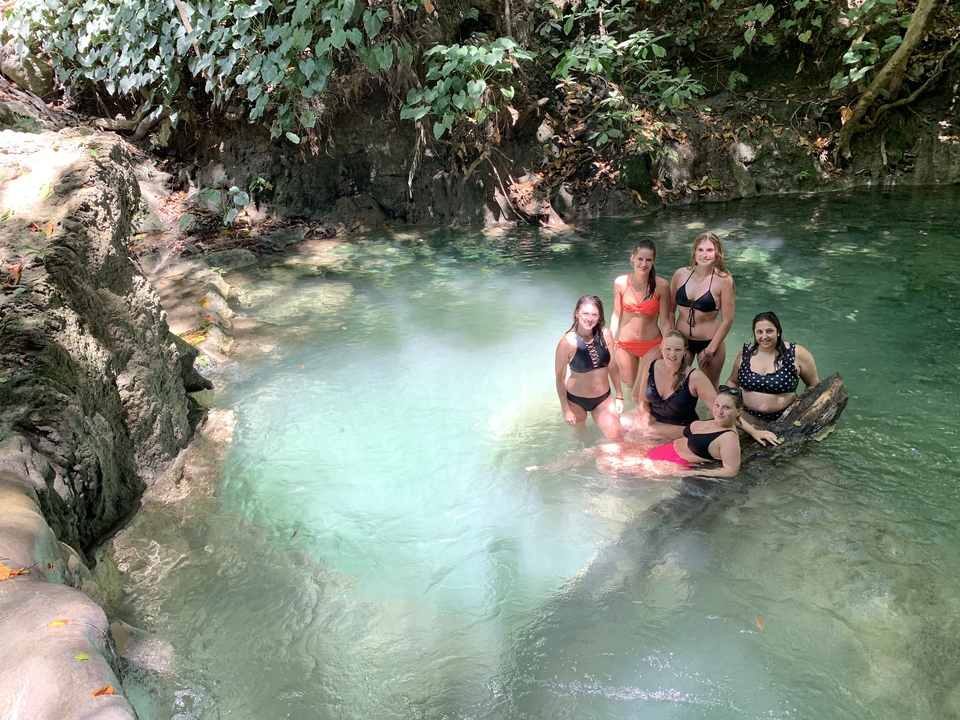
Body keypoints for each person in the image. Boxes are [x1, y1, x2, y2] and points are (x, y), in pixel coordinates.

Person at [529, 387, 749, 479]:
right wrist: (647, 431)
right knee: (602, 448)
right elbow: (680, 432)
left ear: (738, 411)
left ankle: (604, 500)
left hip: (675, 464)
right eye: (717, 405)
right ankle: (554, 468)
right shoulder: (713, 421)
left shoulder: (728, 438)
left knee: (607, 462)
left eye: (726, 408)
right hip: (663, 449)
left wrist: (694, 474)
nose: (719, 410)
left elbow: (731, 471)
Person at [626, 330, 778, 445]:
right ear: (661, 349)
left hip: (681, 428)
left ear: (685, 352)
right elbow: (642, 402)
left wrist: (754, 431)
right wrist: (645, 415)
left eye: (678, 350)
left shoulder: (695, 377)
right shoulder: (650, 367)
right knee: (618, 425)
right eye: (668, 349)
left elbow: (722, 409)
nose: (672, 354)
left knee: (630, 439)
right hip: (654, 423)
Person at [724, 311, 820, 422]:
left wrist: (802, 414)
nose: (764, 336)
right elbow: (733, 382)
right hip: (746, 416)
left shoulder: (797, 353)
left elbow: (813, 386)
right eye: (759, 332)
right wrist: (724, 405)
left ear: (778, 332)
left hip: (785, 419)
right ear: (754, 333)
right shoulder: (746, 353)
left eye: (769, 331)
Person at [554, 295, 624, 440]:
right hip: (576, 400)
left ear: (599, 317)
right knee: (580, 442)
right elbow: (559, 379)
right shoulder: (566, 343)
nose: (589, 318)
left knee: (617, 436)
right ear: (576, 314)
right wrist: (566, 409)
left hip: (603, 399)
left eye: (594, 315)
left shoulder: (606, 334)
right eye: (585, 313)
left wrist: (619, 395)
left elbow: (612, 365)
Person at [670, 231, 735, 386]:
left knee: (709, 387)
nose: (704, 254)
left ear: (718, 253)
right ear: (694, 251)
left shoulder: (724, 280)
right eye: (700, 250)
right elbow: (670, 311)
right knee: (676, 385)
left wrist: (710, 350)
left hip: (710, 342)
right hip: (682, 341)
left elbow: (727, 320)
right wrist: (674, 340)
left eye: (709, 250)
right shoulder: (680, 274)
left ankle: (708, 412)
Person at [610, 240, 673, 392]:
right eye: (640, 259)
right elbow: (616, 315)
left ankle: (646, 414)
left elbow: (665, 320)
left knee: (643, 389)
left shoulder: (661, 286)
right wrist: (609, 340)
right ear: (632, 258)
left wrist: (668, 344)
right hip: (626, 344)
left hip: (652, 344)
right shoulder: (621, 283)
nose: (644, 264)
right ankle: (628, 414)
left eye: (648, 260)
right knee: (629, 385)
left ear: (654, 261)